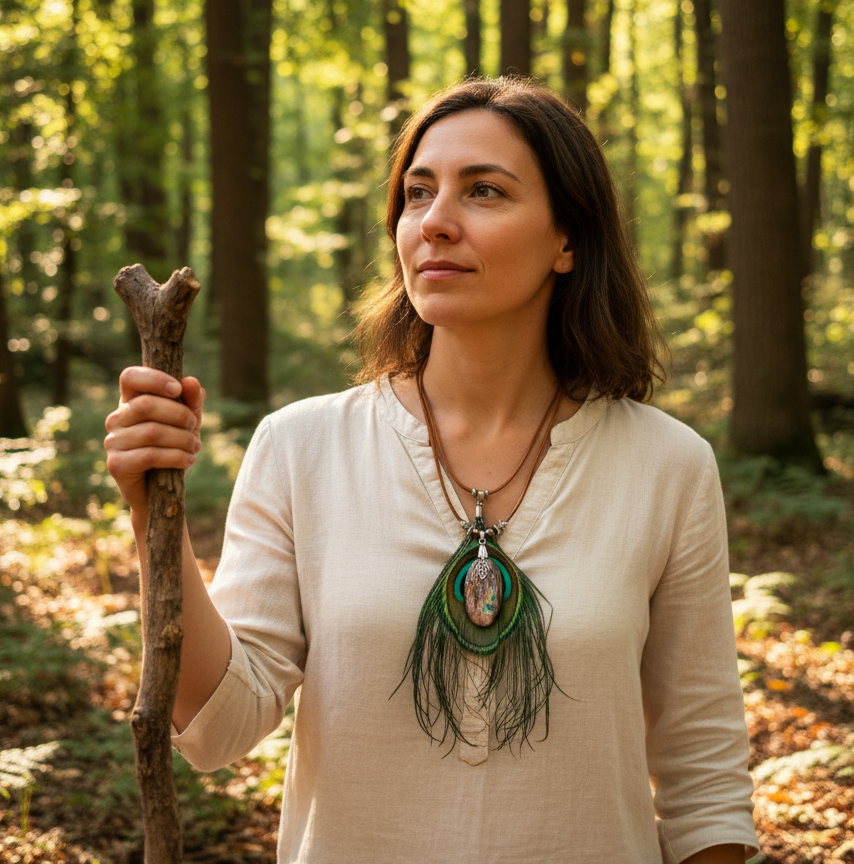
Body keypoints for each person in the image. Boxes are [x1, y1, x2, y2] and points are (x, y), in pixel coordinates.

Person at [105, 77, 759, 863]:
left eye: (484, 191)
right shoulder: (302, 448)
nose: (436, 223)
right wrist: (154, 517)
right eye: (418, 194)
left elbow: (704, 778)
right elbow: (218, 727)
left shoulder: (667, 465)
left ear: (568, 240)